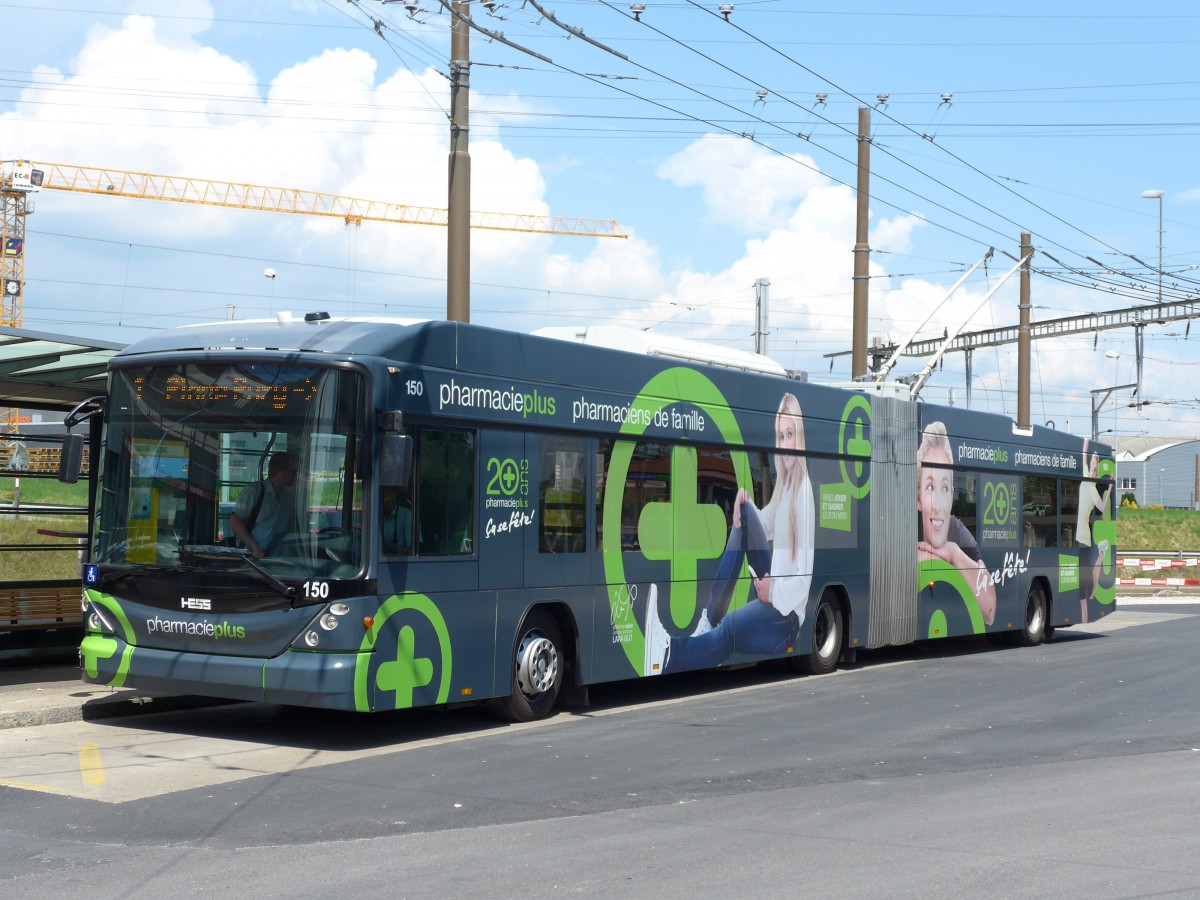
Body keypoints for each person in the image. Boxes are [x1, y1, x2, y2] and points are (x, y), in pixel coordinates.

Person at [644, 392, 816, 676]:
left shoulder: (803, 492)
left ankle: (668, 653)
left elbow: (804, 579)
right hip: (775, 593)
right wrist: (743, 499)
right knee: (746, 511)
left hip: (786, 618)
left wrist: (772, 590)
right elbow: (764, 525)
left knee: (728, 630)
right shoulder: (785, 487)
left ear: (800, 437)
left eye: (791, 434)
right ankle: (708, 621)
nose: (785, 444)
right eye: (781, 436)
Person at [917, 422, 996, 626]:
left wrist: (953, 553)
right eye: (930, 487)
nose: (938, 505)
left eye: (944, 488)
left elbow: (990, 611)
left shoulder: (955, 529)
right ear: (918, 498)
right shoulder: (904, 525)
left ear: (952, 494)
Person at [229, 450, 297, 558]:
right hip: (252, 556)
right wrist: (255, 547)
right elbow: (234, 522)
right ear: (283, 474)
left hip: (278, 557)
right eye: (294, 472)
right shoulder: (254, 491)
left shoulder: (287, 498)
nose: (296, 476)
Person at [1076, 439, 1111, 621]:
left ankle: (1101, 554)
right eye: (1092, 466)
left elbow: (1103, 508)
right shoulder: (1084, 476)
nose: (1093, 470)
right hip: (1078, 538)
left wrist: (1110, 486)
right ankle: (1101, 553)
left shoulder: (1094, 491)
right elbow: (1084, 453)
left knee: (1089, 591)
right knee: (1085, 592)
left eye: (1096, 470)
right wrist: (1086, 441)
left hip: (1084, 539)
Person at [381, 486, 415, 554]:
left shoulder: (407, 515)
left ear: (393, 495)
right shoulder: (374, 517)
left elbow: (413, 550)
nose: (382, 502)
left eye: (385, 498)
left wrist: (383, 544)